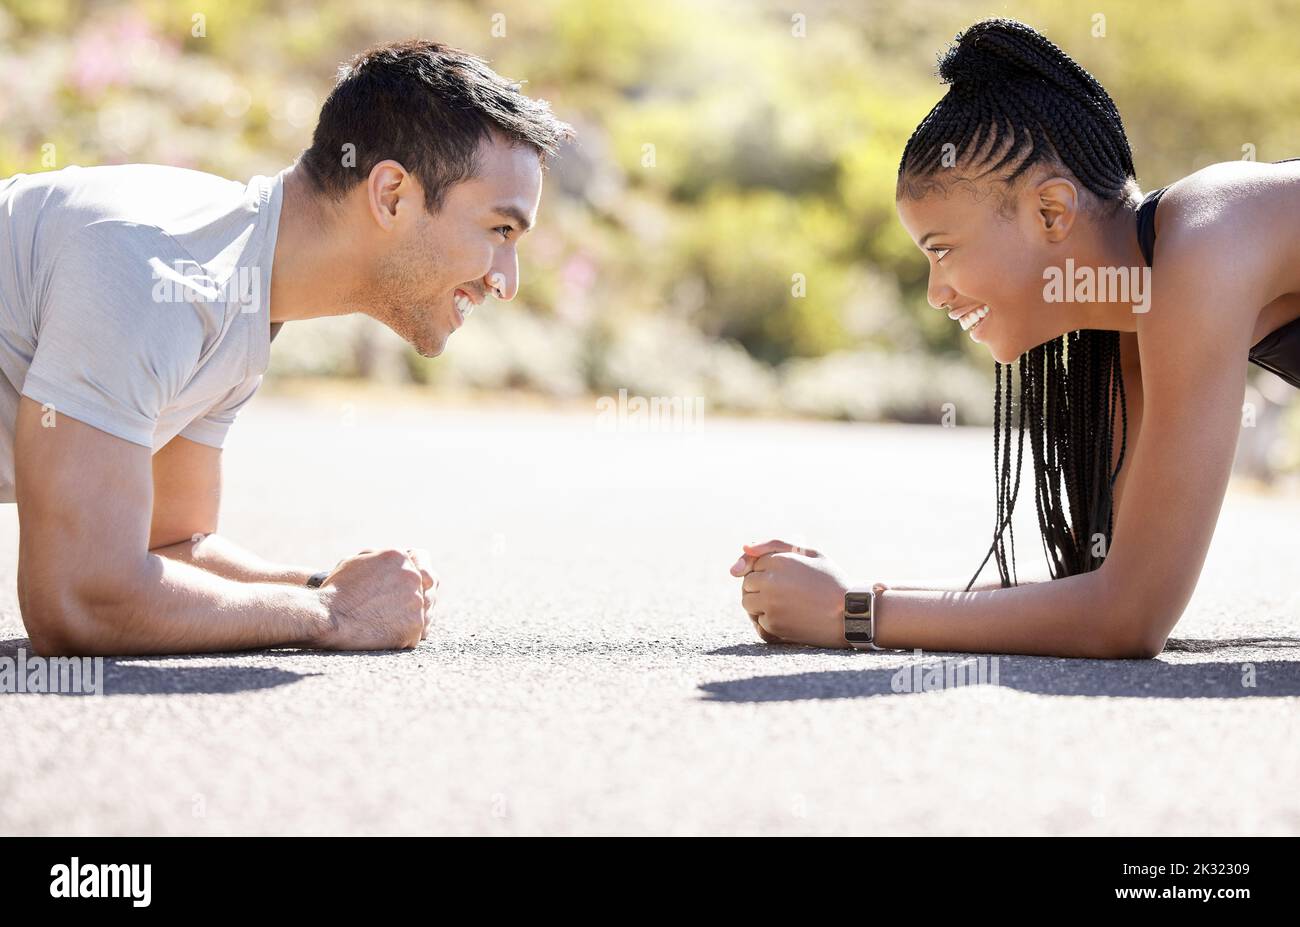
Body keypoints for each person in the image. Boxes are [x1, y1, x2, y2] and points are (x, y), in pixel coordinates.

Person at [730, 18, 1300, 659]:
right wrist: (848, 595)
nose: (935, 292)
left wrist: (852, 615)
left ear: (1051, 212)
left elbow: (1127, 618)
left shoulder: (1208, 238)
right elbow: (1097, 591)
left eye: (941, 250)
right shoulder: (1141, 323)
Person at [3, 39, 573, 656]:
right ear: (392, 195)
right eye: (500, 230)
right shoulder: (160, 270)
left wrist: (328, 589)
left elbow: (168, 546)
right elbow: (79, 601)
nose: (506, 281)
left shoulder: (238, 286)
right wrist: (328, 612)